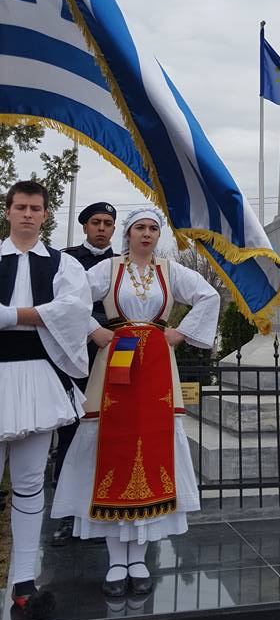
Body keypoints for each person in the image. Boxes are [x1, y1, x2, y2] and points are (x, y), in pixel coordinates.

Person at [52, 206, 220, 598]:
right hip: (115, 367)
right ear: (127, 234)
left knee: (155, 446)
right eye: (140, 228)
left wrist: (178, 334)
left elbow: (208, 295)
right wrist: (95, 329)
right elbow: (69, 296)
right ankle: (115, 559)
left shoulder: (170, 271)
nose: (146, 234)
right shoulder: (107, 270)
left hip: (158, 368)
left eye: (153, 229)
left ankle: (140, 557)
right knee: (114, 449)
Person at [0, 180, 91, 618]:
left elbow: (73, 311)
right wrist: (39, 316)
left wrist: (14, 316)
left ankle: (22, 580)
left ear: (45, 214)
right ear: (8, 211)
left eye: (36, 208)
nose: (28, 215)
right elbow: (56, 312)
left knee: (31, 482)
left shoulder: (63, 264)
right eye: (21, 207)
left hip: (38, 378)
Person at [52, 201, 117, 547]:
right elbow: (60, 305)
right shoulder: (66, 259)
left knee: (110, 432)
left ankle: (104, 508)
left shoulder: (123, 262)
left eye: (108, 223)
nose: (102, 228)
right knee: (73, 433)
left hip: (115, 355)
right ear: (85, 226)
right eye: (96, 222)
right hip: (77, 355)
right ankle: (66, 515)